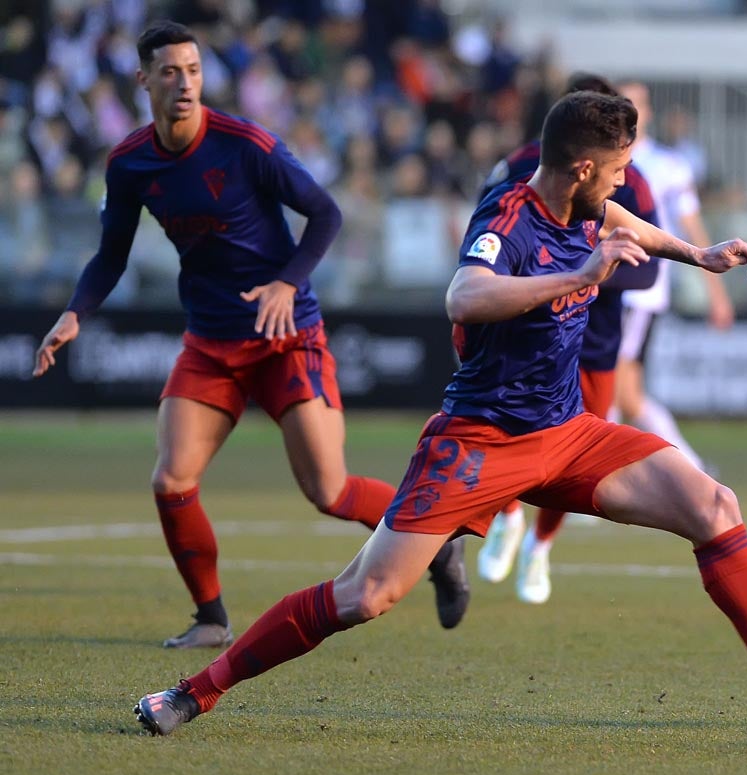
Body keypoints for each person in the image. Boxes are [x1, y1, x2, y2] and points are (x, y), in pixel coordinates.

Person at [134, 90, 747, 746]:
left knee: (712, 505)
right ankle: (194, 691)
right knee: (361, 597)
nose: (626, 183)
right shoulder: (509, 216)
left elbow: (630, 227)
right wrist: (577, 274)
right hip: (480, 441)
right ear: (581, 169)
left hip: (566, 436)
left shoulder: (592, 203)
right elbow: (463, 297)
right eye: (620, 169)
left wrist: (697, 254)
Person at [31, 21, 469, 647]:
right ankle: (211, 618)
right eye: (170, 72)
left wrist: (288, 283)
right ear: (143, 80)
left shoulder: (244, 144)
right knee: (170, 480)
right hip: (210, 341)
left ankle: (441, 542)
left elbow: (326, 212)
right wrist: (77, 311)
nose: (184, 83)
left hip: (286, 334)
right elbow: (110, 256)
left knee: (330, 489)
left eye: (193, 70)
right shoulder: (129, 162)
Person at [475, 72, 660, 605]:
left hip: (594, 343)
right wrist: (559, 275)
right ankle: (507, 514)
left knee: (571, 454)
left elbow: (646, 271)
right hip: (520, 337)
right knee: (498, 432)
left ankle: (540, 544)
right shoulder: (515, 171)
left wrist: (589, 275)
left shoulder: (629, 183)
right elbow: (482, 249)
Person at [612, 80, 733, 474]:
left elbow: (693, 231)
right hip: (604, 287)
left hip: (637, 291)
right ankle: (690, 469)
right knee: (623, 394)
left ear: (647, 113)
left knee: (613, 387)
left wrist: (716, 293)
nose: (631, 111)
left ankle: (599, 476)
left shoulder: (667, 167)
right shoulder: (602, 160)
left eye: (638, 104)